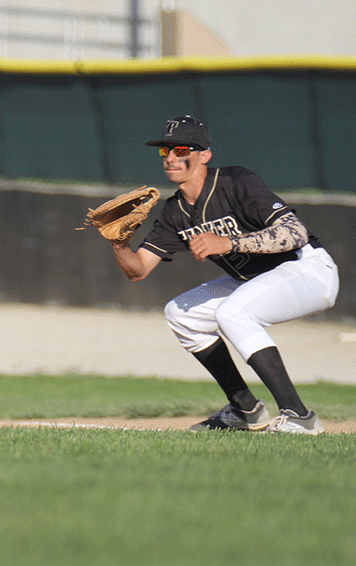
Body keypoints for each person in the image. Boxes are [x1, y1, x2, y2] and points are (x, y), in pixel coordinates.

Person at [107, 115, 339, 434]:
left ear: (204, 155)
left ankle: (299, 415)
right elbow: (139, 270)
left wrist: (230, 242)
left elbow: (295, 233)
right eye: (165, 151)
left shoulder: (235, 182)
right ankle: (246, 409)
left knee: (233, 312)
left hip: (308, 270)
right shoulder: (174, 212)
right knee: (180, 314)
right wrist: (119, 244)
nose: (172, 157)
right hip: (257, 282)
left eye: (181, 149)